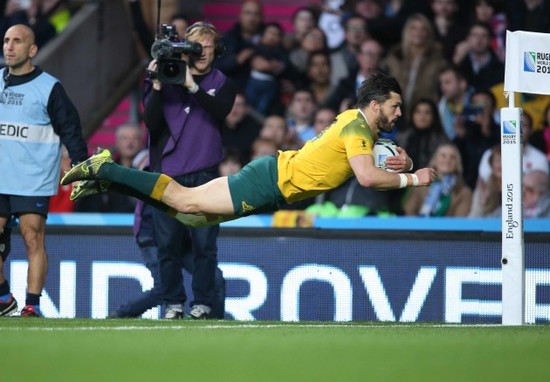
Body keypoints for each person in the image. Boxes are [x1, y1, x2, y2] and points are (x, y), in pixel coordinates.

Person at [62, 73, 438, 229]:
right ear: (375, 105)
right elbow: (368, 176)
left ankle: (105, 182)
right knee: (186, 200)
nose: (399, 113)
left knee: (187, 216)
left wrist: (400, 158)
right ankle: (106, 169)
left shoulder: (358, 124)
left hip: (274, 187)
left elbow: (375, 154)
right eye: (394, 106)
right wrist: (412, 178)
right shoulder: (357, 127)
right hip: (270, 181)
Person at [0, 24, 88, 317]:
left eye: (17, 42)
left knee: (32, 236)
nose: (10, 47)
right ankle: (4, 298)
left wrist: (79, 164)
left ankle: (32, 305)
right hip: (1, 177)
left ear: (32, 50)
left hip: (33, 178)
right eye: (7, 41)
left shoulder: (49, 87)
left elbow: (71, 129)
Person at [403, 142, 472, 216]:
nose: (447, 160)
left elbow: (460, 222)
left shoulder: (464, 192)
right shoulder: (420, 185)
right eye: (443, 156)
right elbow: (408, 213)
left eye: (452, 157)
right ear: (435, 160)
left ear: (457, 164)